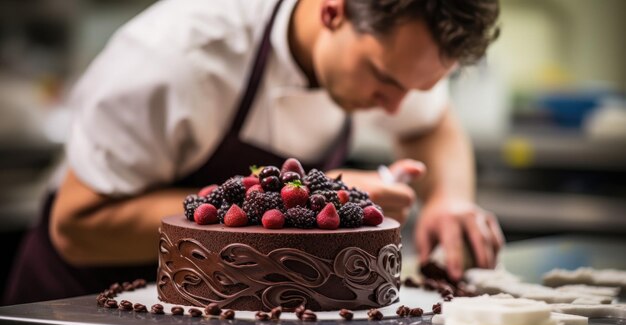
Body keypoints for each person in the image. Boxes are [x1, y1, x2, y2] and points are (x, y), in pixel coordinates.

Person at [4, 0, 503, 305]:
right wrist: (306, 201)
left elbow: (433, 125)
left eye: (415, 88)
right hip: (88, 306)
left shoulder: (390, 50)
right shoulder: (177, 57)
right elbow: (77, 229)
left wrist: (449, 198)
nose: (396, 109)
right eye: (385, 80)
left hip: (230, 313)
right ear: (333, 9)